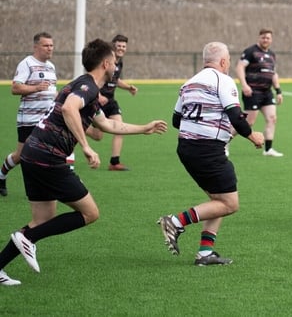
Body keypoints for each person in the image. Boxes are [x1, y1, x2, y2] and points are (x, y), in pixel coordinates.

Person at [0, 39, 167, 286]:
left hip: (34, 154)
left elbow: (107, 124)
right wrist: (86, 147)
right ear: (106, 63)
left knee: (43, 219)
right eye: (113, 61)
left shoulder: (85, 87)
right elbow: (69, 109)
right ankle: (28, 238)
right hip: (49, 157)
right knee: (90, 213)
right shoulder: (87, 86)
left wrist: (144, 128)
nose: (115, 65)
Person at [158, 42, 264, 266]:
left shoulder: (189, 83)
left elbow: (177, 120)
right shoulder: (223, 80)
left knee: (218, 199)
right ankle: (176, 222)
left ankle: (205, 253)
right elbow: (236, 116)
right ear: (224, 62)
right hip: (207, 150)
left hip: (186, 147)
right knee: (229, 204)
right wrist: (253, 136)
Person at [0, 33, 57, 198]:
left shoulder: (51, 67)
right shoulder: (27, 64)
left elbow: (51, 92)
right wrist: (36, 88)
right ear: (36, 47)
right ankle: (1, 175)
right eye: (46, 45)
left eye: (51, 45)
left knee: (48, 152)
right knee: (21, 155)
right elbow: (15, 88)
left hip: (46, 120)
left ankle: (45, 187)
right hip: (28, 119)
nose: (50, 48)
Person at [235, 28, 284, 157]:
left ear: (271, 40)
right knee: (248, 122)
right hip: (253, 92)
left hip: (267, 92)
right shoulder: (251, 51)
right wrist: (244, 85)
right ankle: (224, 144)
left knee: (272, 118)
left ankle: (268, 150)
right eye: (263, 37)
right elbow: (240, 67)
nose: (265, 40)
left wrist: (278, 90)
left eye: (268, 38)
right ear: (259, 38)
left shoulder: (272, 55)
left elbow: (273, 74)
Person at [98, 34, 138, 171]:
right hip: (98, 101)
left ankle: (114, 163)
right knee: (98, 136)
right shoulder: (106, 61)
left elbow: (115, 80)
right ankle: (81, 126)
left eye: (124, 46)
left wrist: (128, 87)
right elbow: (94, 79)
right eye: (119, 46)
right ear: (113, 46)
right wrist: (97, 95)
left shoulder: (119, 62)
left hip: (110, 101)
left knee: (120, 128)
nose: (121, 48)